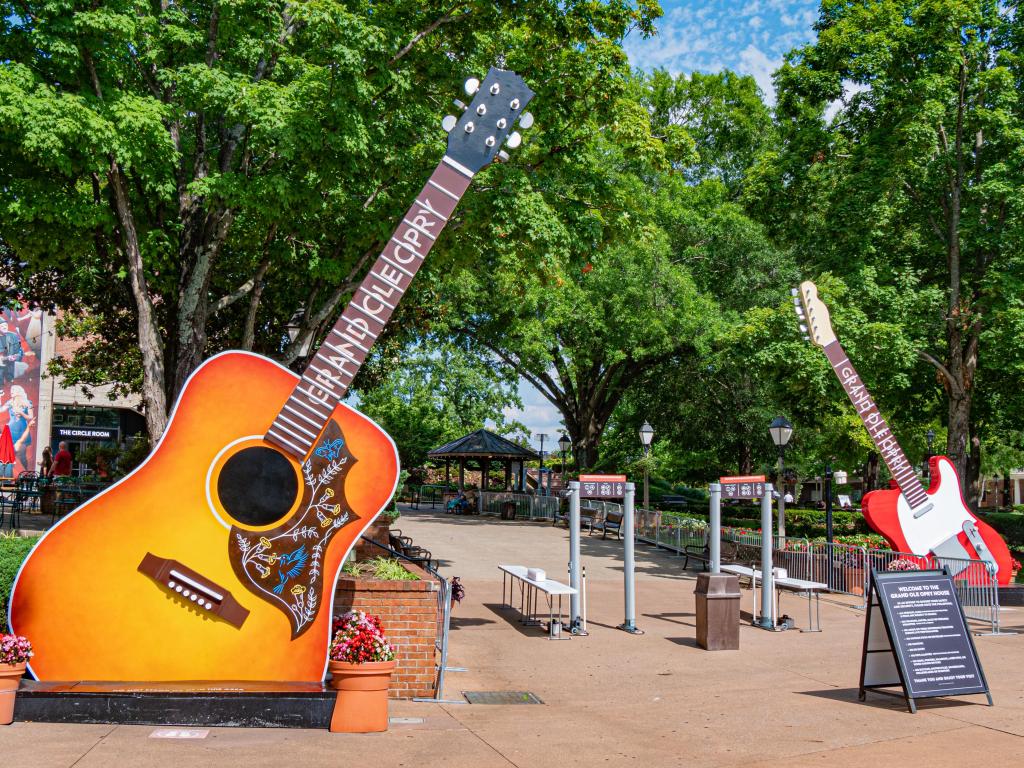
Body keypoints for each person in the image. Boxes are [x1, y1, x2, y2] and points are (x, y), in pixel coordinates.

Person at [6, 385, 34, 471]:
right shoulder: (10, 402)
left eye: (13, 390)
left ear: (18, 391)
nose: (11, 391)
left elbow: (30, 417)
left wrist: (21, 413)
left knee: (21, 455)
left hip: (22, 431)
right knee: (8, 455)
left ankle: (26, 472)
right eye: (11, 390)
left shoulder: (27, 402)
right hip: (10, 431)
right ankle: (8, 474)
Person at [0, 320, 22, 386]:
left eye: (5, 325)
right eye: (2, 326)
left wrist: (15, 357)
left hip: (10, 366)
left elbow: (19, 351)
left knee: (10, 384)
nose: (4, 327)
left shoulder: (13, 336)